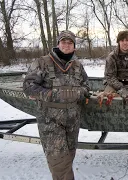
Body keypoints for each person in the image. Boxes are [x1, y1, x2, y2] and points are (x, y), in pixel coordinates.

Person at [23, 30, 90, 180]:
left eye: (70, 42)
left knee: (68, 158)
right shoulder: (42, 63)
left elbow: (86, 86)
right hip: (50, 121)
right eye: (63, 42)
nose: (66, 45)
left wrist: (79, 93)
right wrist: (53, 94)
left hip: (73, 121)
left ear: (74, 46)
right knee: (60, 164)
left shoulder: (77, 66)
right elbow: (28, 87)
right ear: (58, 44)